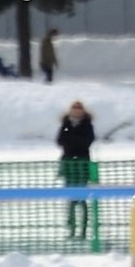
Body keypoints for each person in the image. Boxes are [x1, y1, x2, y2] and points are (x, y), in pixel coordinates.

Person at [57, 100, 95, 239]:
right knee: (71, 198)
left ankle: (83, 230)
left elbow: (87, 141)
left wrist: (73, 140)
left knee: (82, 198)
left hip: (82, 164)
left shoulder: (87, 124)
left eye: (79, 108)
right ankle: (72, 229)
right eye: (74, 107)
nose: (77, 110)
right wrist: (74, 141)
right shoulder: (66, 123)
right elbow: (60, 140)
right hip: (68, 164)